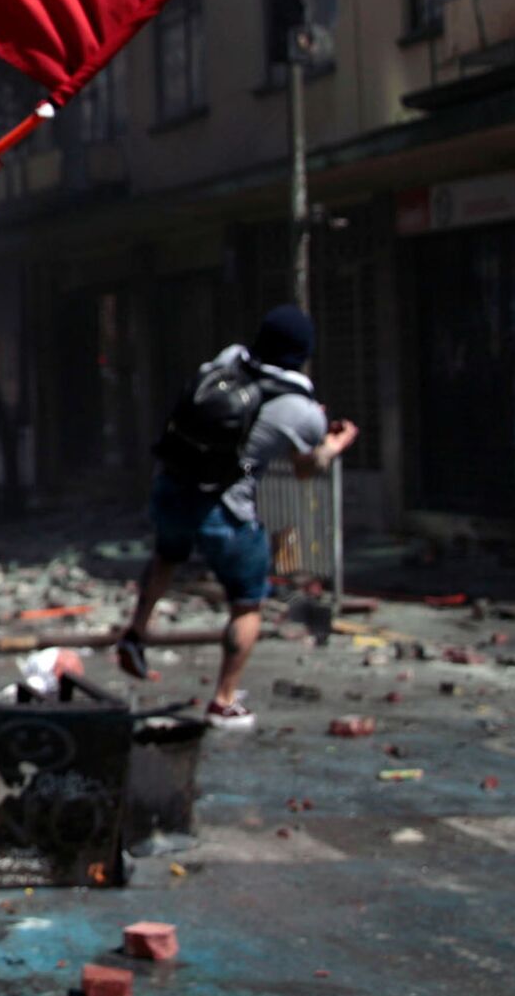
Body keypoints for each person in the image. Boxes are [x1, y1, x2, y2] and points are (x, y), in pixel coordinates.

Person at [116, 302, 358, 730]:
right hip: (227, 507)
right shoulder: (301, 410)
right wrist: (333, 445)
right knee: (247, 602)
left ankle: (135, 634)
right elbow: (305, 469)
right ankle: (224, 702)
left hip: (173, 486)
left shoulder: (228, 360)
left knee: (167, 557)